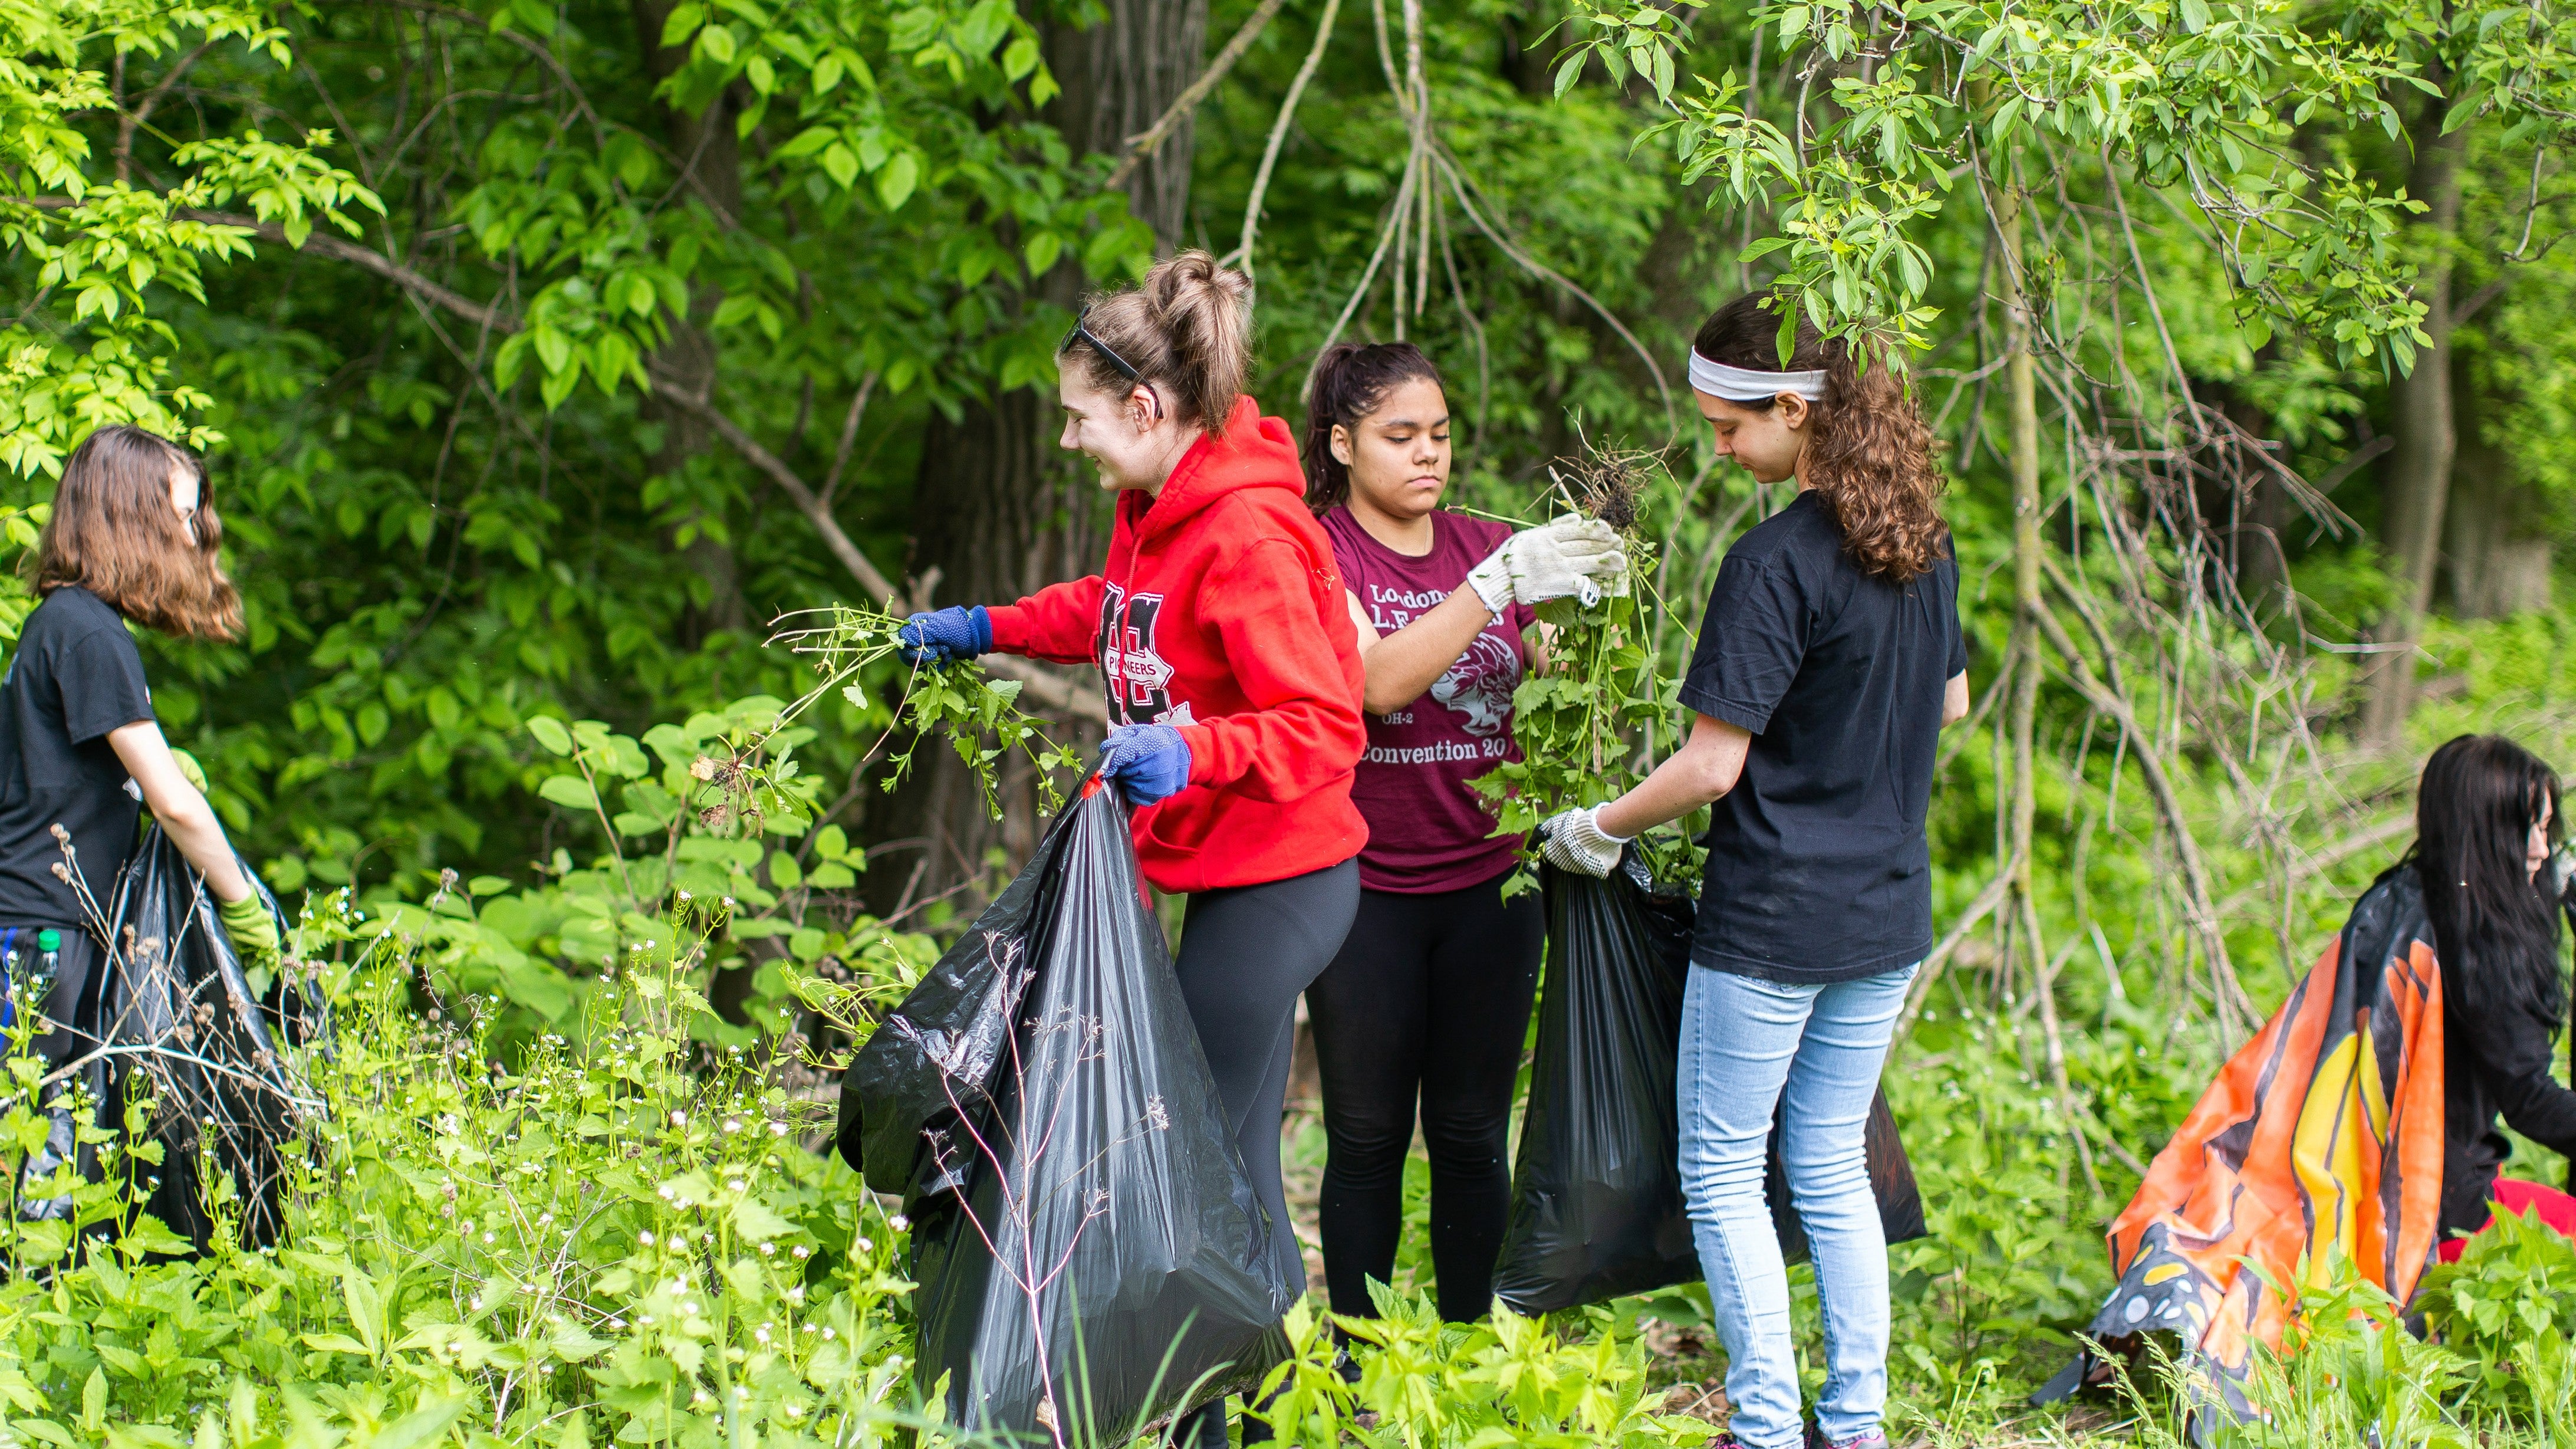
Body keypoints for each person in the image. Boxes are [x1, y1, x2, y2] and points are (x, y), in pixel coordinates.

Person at [898, 251, 1376, 1447]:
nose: (1068, 439)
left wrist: (1193, 748)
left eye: (1079, 416)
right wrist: (986, 627)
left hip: (1286, 876)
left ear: (1146, 407)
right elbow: (1113, 615)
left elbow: (1325, 720)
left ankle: (1242, 1416)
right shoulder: (1153, 511)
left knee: (1197, 1157)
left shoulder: (1247, 532)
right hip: (1222, 872)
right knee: (1223, 1159)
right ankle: (1242, 1411)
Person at [1538, 295, 1966, 1449]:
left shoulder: (1773, 563)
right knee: (1827, 1160)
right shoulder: (1921, 543)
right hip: (1885, 912)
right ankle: (1855, 1422)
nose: (1720, 450)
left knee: (1723, 1167)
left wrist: (1597, 825)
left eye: (1729, 427)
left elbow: (1710, 766)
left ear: (1793, 408)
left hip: (1775, 920)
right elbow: (1951, 703)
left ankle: (1767, 1427)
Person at [2037, 734, 2576, 1422]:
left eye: (2547, 828)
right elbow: (2533, 1102)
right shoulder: (2482, 949)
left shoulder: (2394, 904)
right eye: (2531, 829)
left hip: (2343, 1187)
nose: (2542, 849)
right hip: (2437, 1213)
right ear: (2487, 832)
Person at [1299, 342, 1629, 1327]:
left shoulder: (1486, 541)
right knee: (1365, 1135)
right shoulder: (1319, 550)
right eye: (1400, 436)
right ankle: (1356, 1357)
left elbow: (1571, 690)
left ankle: (1466, 1352)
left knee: (1472, 1131)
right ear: (1342, 443)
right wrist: (1496, 584)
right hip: (1364, 890)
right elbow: (1373, 683)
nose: (1427, 455)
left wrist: (1590, 616)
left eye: (1439, 435)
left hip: (1491, 886)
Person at [0, 425, 281, 1074]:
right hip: (36, 932)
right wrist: (243, 905)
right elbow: (174, 805)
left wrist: (127, 776)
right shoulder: (87, 632)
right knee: (28, 1122)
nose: (191, 539)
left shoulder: (70, 622)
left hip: (48, 926)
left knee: (57, 1122)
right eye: (182, 517)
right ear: (132, 517)